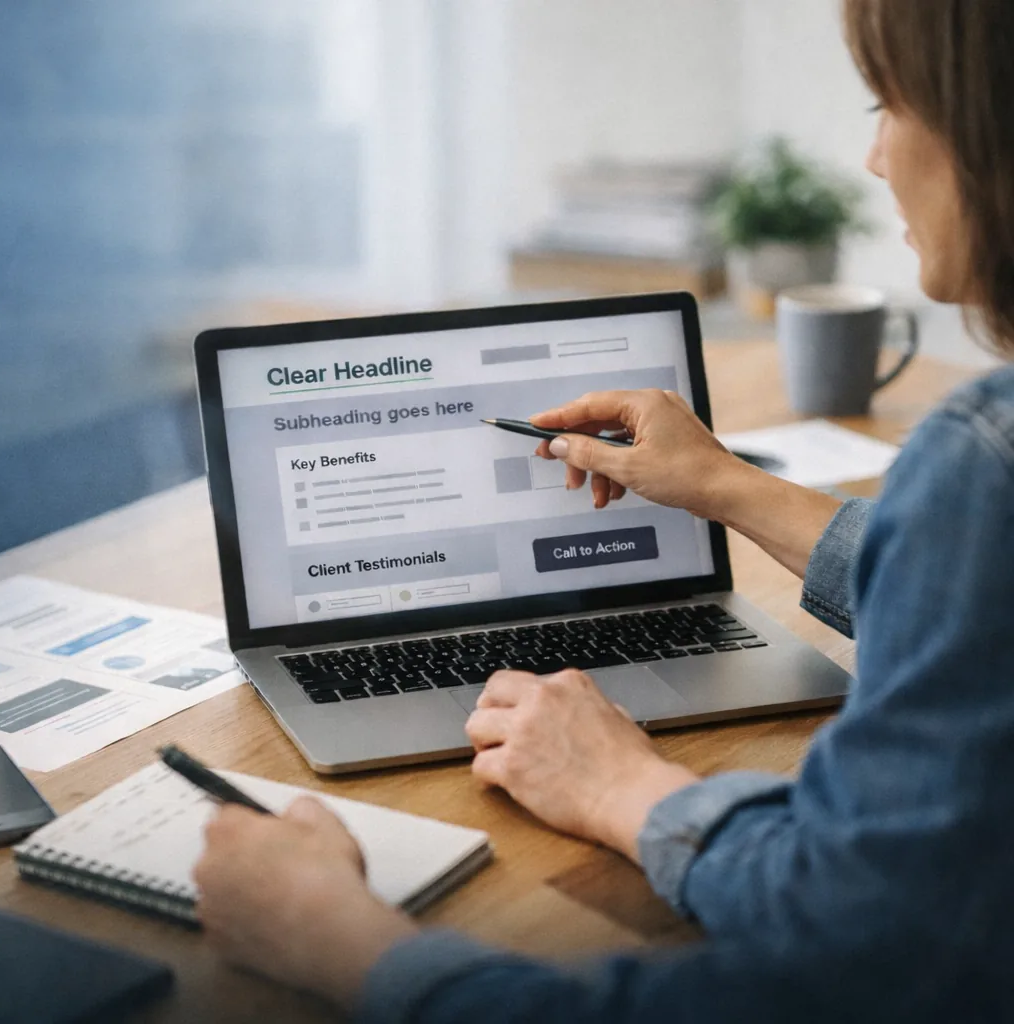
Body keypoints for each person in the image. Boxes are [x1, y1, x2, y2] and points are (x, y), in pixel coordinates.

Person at [193, 0, 1014, 1019]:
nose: (876, 157)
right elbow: (980, 591)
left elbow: (836, 958)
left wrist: (350, 939)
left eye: (890, 102)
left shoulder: (983, 460)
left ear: (986, 128)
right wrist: (720, 482)